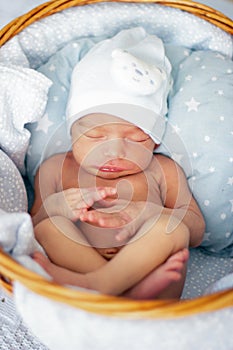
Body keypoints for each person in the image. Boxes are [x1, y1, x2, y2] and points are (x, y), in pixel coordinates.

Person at [31, 28, 205, 299]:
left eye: (135, 139)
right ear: (72, 133)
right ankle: (114, 289)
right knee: (47, 227)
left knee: (173, 230)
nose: (114, 152)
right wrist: (58, 206)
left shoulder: (163, 170)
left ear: (155, 142)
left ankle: (100, 286)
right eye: (95, 136)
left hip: (152, 275)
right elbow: (32, 224)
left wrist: (151, 213)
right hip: (83, 267)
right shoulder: (56, 168)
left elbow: (195, 230)